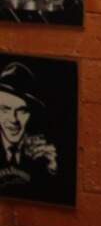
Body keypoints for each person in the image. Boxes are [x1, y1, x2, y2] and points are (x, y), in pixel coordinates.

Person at [0, 61, 59, 195]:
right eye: (4, 109)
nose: (13, 120)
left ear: (32, 113)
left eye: (22, 111)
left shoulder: (39, 151)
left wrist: (52, 169)